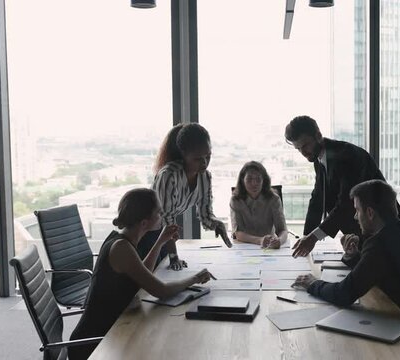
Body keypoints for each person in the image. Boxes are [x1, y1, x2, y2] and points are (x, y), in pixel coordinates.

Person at [292, 180, 400, 360]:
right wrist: (353, 256)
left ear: (370, 213)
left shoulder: (380, 244)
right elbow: (384, 271)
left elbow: (344, 294)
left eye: (357, 210)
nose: (356, 217)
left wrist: (312, 283)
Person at [69, 188, 214, 360]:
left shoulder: (121, 240)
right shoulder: (122, 248)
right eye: (159, 213)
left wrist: (160, 241)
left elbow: (141, 274)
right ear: (145, 223)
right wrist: (195, 278)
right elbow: (160, 290)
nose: (162, 216)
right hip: (94, 343)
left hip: (112, 331)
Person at [285, 115, 400, 258]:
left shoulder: (345, 156)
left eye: (305, 146)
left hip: (382, 230)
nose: (303, 153)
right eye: (298, 149)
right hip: (362, 231)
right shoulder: (320, 158)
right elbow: (317, 198)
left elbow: (346, 204)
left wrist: (312, 238)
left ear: (318, 135)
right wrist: (306, 238)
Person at [137, 123, 232, 270]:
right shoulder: (169, 175)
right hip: (145, 236)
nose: (205, 163)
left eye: (208, 156)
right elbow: (167, 219)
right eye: (197, 159)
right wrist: (174, 256)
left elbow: (205, 215)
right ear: (183, 155)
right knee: (151, 284)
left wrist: (216, 224)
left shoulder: (205, 177)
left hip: (164, 237)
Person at [230, 161, 288, 249]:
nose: (254, 183)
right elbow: (238, 233)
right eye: (249, 179)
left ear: (263, 180)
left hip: (269, 246)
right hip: (244, 247)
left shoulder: (273, 199)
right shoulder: (236, 200)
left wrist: (279, 241)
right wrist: (260, 240)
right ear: (242, 180)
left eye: (258, 179)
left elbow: (283, 230)